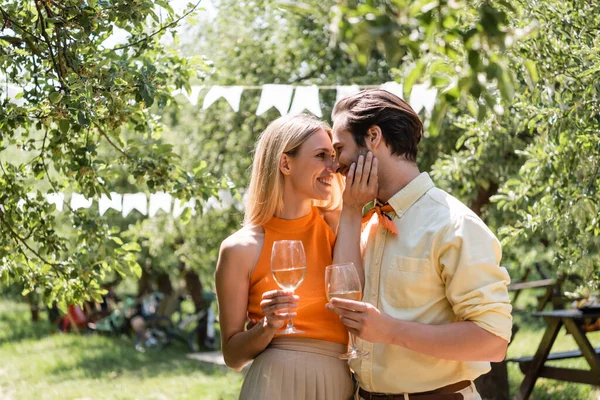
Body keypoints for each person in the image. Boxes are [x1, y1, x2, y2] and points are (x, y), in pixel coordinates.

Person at [327, 89, 513, 400]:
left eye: (339, 149)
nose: (335, 165)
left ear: (373, 136)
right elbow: (345, 294)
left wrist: (390, 331)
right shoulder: (366, 221)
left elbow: (492, 341)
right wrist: (349, 210)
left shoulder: (452, 224)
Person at [216, 114, 362, 400]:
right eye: (322, 156)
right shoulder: (239, 249)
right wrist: (267, 326)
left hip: (338, 381)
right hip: (273, 384)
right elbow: (233, 356)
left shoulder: (339, 225)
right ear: (285, 163)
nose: (334, 167)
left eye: (334, 156)